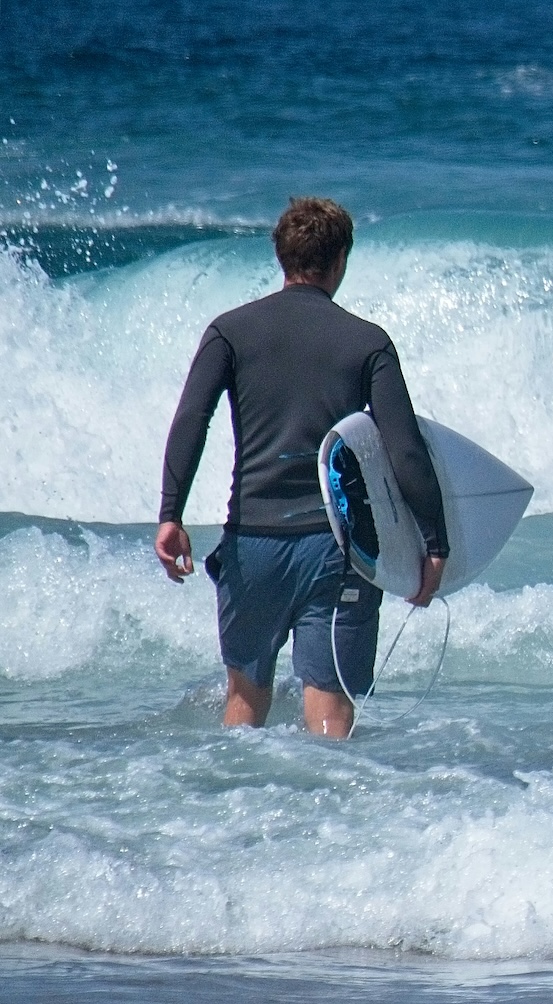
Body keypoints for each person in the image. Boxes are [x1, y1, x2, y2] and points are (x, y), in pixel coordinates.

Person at [155, 197, 448, 738]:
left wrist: (170, 514)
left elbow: (191, 420)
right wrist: (433, 543)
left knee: (243, 701)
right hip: (336, 552)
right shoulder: (368, 342)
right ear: (338, 262)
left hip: (251, 546)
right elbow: (405, 451)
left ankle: (227, 812)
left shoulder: (230, 331)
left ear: (281, 258)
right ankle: (334, 817)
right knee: (330, 710)